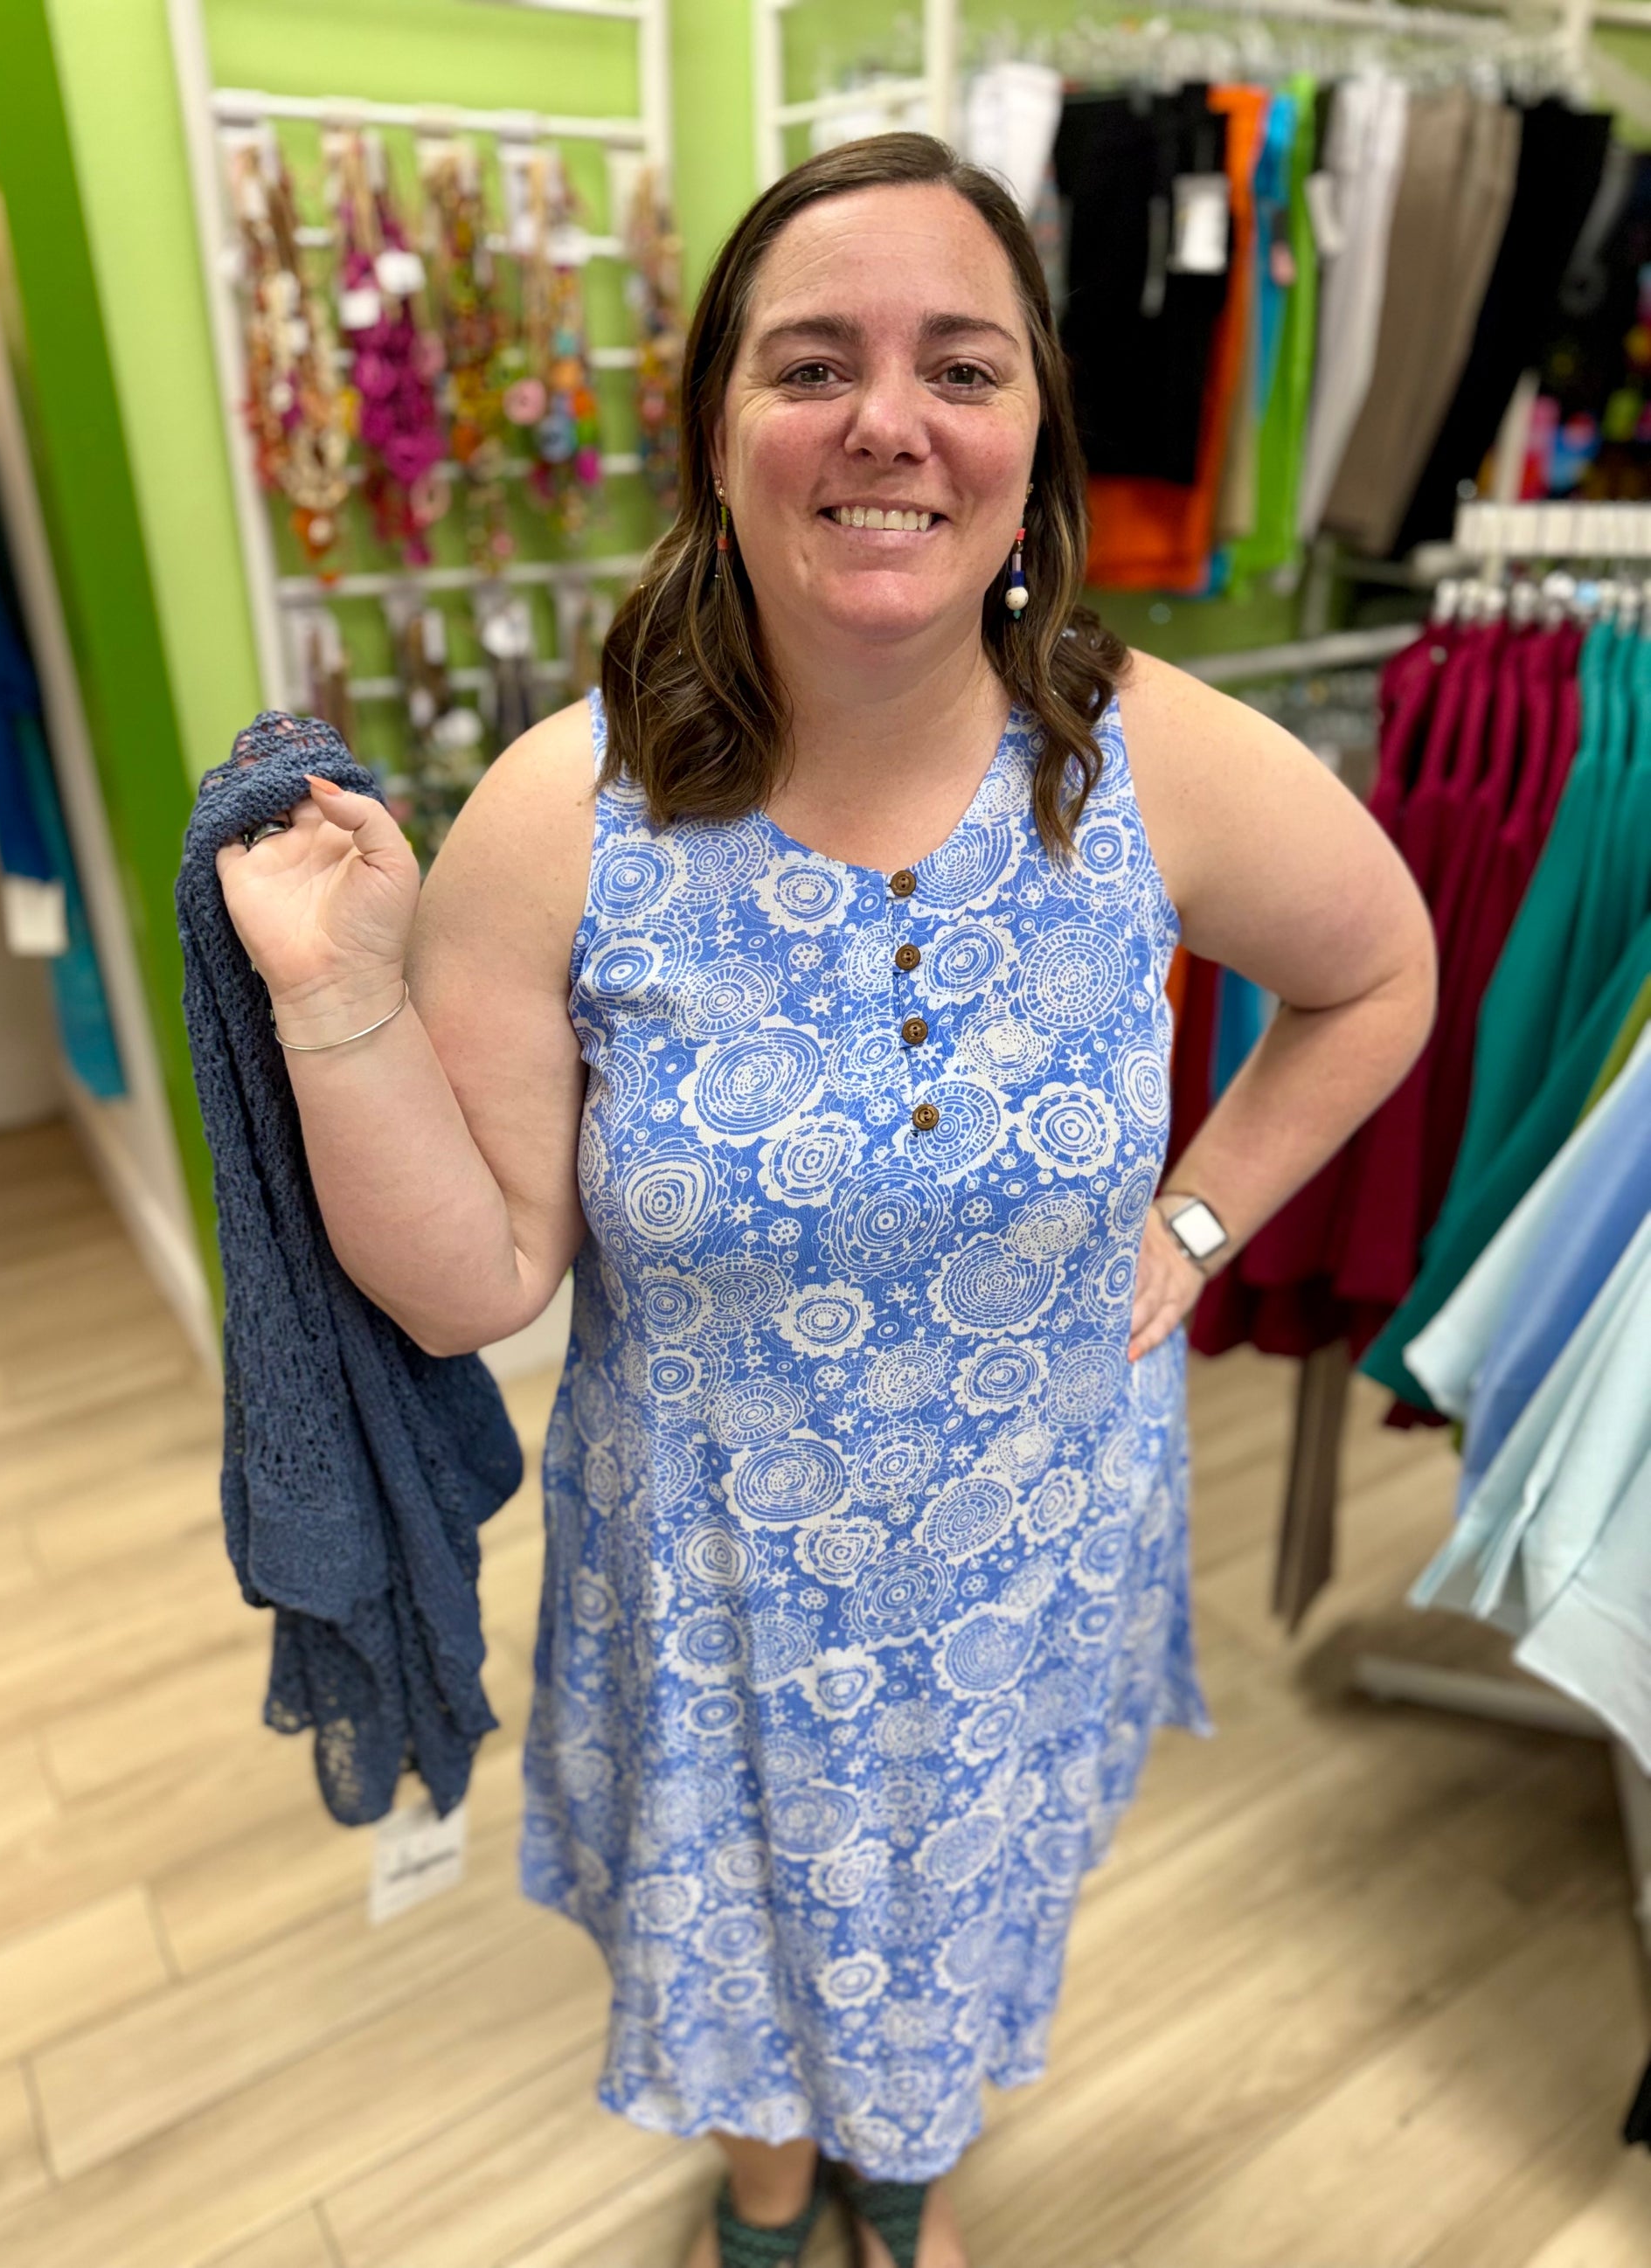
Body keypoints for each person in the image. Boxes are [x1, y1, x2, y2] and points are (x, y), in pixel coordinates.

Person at [218, 134, 1434, 2268]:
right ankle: (772, 2196)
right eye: (812, 365)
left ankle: (902, 2171)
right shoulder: (564, 810)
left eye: (959, 366)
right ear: (717, 429)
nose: (889, 421)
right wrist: (334, 1002)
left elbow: (1381, 972)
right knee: (735, 1948)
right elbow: (472, 1279)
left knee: (956, 1923)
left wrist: (1195, 1226)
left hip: (1025, 1558)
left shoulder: (1152, 760)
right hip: (715, 1585)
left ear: (1034, 436)